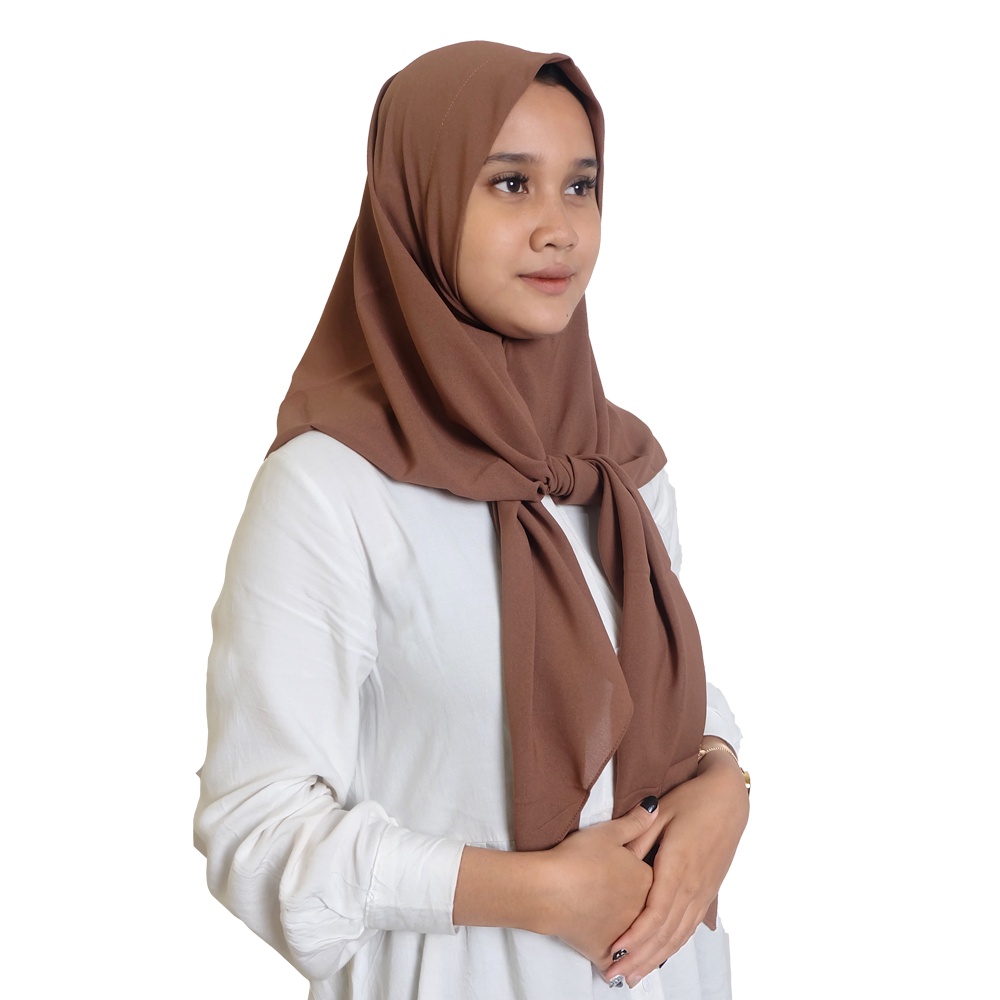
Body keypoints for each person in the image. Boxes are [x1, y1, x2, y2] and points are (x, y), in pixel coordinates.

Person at [194, 40, 750, 1000]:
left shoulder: (619, 472)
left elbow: (659, 698)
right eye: (509, 184)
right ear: (419, 201)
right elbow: (257, 827)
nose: (558, 229)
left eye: (581, 187)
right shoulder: (334, 487)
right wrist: (535, 893)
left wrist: (723, 785)